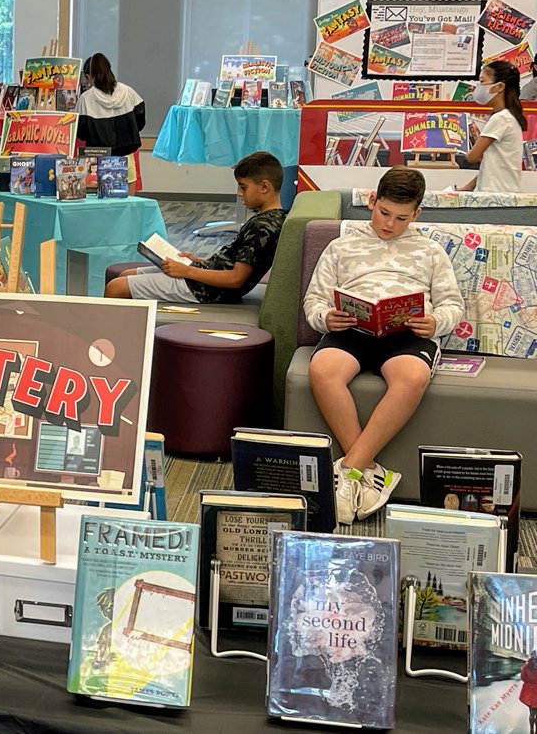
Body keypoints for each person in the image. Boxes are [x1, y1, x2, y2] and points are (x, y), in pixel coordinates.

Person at [303, 167, 464, 525]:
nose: (390, 224)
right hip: (351, 328)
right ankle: (372, 471)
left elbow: (453, 304)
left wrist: (436, 322)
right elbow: (313, 301)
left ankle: (351, 471)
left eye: (401, 218)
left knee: (410, 376)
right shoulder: (340, 246)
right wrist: (326, 318)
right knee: (323, 370)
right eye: (384, 212)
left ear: (417, 214)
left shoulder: (431, 250)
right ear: (372, 201)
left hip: (407, 331)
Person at [104, 151, 286, 304]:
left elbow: (236, 279)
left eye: (243, 187)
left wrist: (187, 271)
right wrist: (199, 261)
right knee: (124, 274)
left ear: (264, 187)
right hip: (205, 276)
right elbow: (232, 262)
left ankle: (109, 342)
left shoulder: (263, 227)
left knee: (116, 287)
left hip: (206, 290)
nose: (239, 193)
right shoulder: (269, 219)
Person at [77, 53, 146, 193]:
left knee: (101, 207)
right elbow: (140, 121)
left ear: (89, 76)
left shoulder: (86, 99)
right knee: (128, 204)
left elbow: (81, 132)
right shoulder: (128, 92)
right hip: (126, 155)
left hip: (97, 158)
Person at [459, 59, 524, 193]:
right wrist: (467, 188)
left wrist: (476, 153)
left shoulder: (500, 119)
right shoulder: (509, 117)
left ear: (500, 87)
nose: (478, 87)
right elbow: (493, 165)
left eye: (482, 82)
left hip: (495, 195)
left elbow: (472, 157)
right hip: (503, 192)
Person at [522, 651, 537, 734]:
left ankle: (531, 729)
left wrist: (530, 682)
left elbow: (523, 677)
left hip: (529, 693)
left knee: (531, 712)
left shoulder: (526, 665)